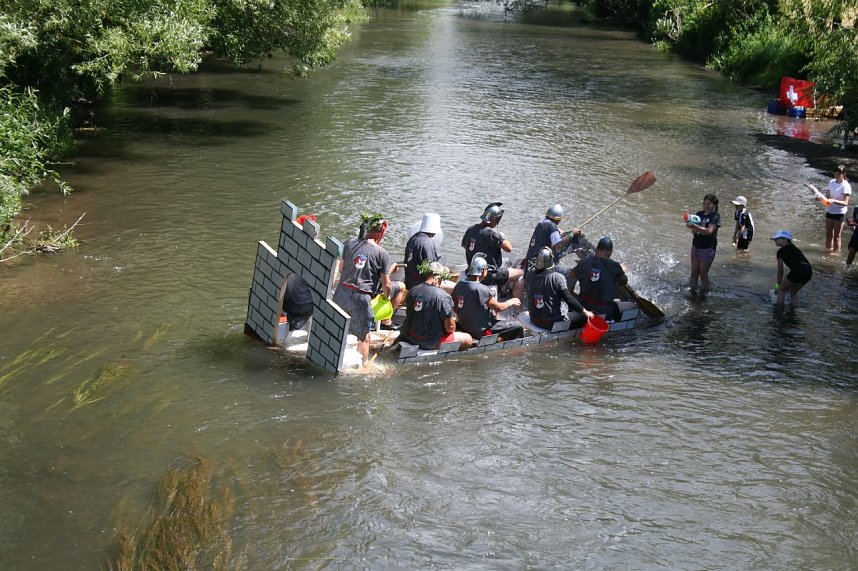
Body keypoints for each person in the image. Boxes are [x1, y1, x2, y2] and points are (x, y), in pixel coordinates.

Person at [332, 212, 405, 366]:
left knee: (336, 326)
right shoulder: (381, 253)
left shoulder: (349, 243)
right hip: (361, 298)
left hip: (341, 292)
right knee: (364, 336)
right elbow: (386, 284)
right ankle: (363, 366)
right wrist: (386, 297)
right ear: (381, 232)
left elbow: (341, 268)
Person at [399, 261, 473, 350]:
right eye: (441, 280)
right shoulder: (443, 296)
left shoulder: (413, 290)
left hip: (408, 336)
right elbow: (450, 328)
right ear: (436, 278)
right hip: (429, 342)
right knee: (468, 338)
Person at [452, 255, 524, 342]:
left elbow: (455, 308)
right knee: (518, 326)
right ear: (483, 271)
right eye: (487, 269)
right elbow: (498, 307)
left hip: (464, 326)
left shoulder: (459, 285)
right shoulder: (481, 289)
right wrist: (511, 301)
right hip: (480, 331)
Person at [461, 202, 524, 299]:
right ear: (494, 219)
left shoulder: (470, 229)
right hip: (489, 276)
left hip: (472, 272)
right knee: (521, 273)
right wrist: (501, 236)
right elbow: (509, 248)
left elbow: (464, 245)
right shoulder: (492, 233)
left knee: (505, 262)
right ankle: (516, 307)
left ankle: (501, 289)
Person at [525, 246, 594, 330]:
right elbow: (568, 299)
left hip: (534, 320)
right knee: (583, 319)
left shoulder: (529, 275)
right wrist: (585, 311)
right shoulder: (557, 277)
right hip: (552, 323)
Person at [570, 236, 636, 322]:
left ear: (596, 249)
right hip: (604, 309)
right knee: (632, 305)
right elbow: (624, 281)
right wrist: (620, 271)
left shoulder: (584, 262)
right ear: (610, 252)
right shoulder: (614, 265)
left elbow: (572, 274)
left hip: (584, 306)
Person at [524, 204, 584, 272]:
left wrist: (558, 231)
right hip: (539, 263)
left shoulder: (542, 222)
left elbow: (552, 229)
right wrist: (572, 234)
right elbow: (558, 245)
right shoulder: (552, 227)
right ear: (558, 220)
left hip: (530, 258)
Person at [687, 193, 721, 291]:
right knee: (694, 272)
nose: (706, 206)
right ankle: (692, 292)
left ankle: (703, 294)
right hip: (696, 245)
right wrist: (691, 226)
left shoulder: (715, 216)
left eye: (708, 204)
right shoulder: (699, 214)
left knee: (703, 273)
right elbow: (693, 232)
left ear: (714, 205)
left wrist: (695, 226)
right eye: (704, 203)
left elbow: (709, 231)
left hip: (707, 248)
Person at [771, 230, 812, 309]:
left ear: (785, 239)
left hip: (798, 270)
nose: (775, 240)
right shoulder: (795, 248)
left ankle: (778, 311)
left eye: (777, 238)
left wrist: (777, 286)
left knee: (781, 290)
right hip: (808, 270)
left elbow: (780, 271)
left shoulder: (780, 251)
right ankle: (795, 311)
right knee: (793, 292)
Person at [404, 213, 442, 289]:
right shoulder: (427, 243)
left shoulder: (413, 238)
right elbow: (432, 267)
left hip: (409, 280)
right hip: (420, 283)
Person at [824, 165, 852, 253]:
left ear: (844, 174)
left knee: (837, 236)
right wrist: (820, 198)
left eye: (839, 173)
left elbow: (845, 203)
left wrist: (833, 200)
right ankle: (828, 250)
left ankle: (836, 253)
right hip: (830, 211)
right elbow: (827, 196)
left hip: (840, 212)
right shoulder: (831, 182)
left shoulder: (846, 185)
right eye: (835, 173)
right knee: (828, 233)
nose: (836, 175)